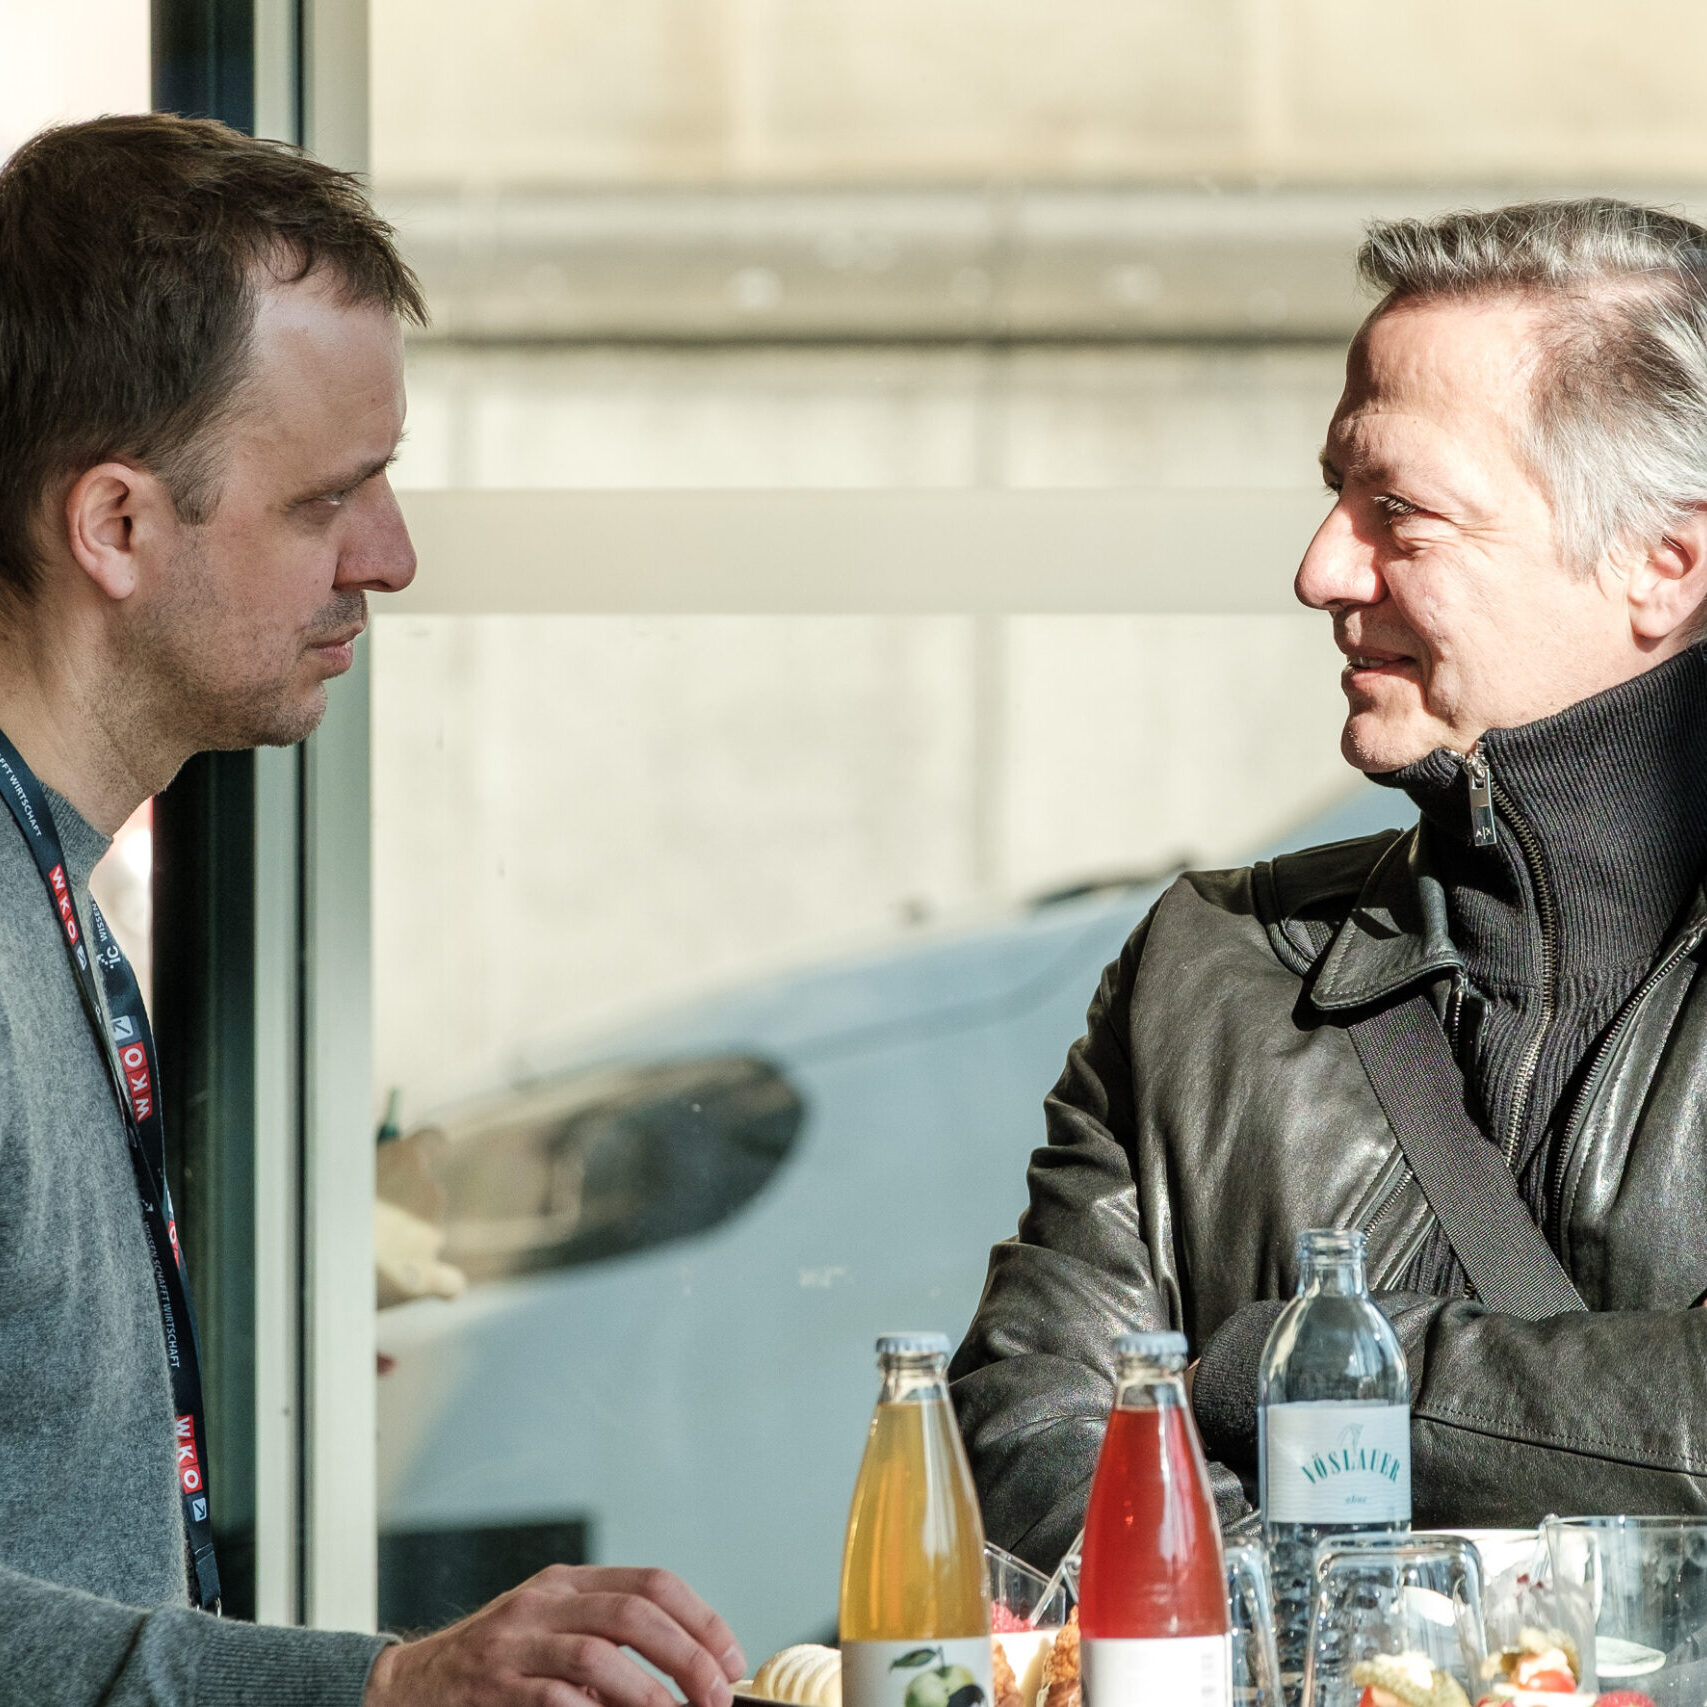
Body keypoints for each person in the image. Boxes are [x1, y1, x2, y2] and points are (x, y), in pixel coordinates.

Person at [0, 114, 745, 1707]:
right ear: (116, 526)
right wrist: (386, 1691)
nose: (393, 558)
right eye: (329, 500)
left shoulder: (56, 883)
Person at [950, 197, 1707, 1567]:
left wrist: (1281, 1374)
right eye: (1333, 497)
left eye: (1398, 513)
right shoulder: (1209, 969)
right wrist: (1353, 1647)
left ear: (1665, 564)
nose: (1319, 569)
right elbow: (1024, 1439)